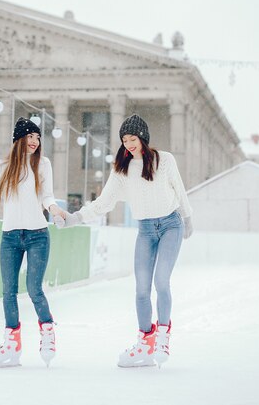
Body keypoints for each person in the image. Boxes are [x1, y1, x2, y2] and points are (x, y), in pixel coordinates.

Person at [55, 114, 192, 368]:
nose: (128, 144)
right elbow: (103, 203)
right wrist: (75, 218)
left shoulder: (165, 160)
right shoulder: (121, 170)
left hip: (171, 224)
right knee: (141, 289)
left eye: (132, 138)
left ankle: (163, 334)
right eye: (124, 140)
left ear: (143, 137)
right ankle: (145, 341)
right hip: (146, 231)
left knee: (161, 281)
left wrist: (188, 216)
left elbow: (179, 188)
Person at [0, 117, 63, 368]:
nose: (35, 142)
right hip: (10, 237)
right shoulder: (1, 167)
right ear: (18, 139)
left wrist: (54, 207)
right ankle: (12, 344)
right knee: (8, 292)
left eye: (38, 138)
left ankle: (47, 332)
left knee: (34, 287)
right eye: (30, 137)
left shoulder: (43, 164)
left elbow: (47, 194)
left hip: (38, 234)